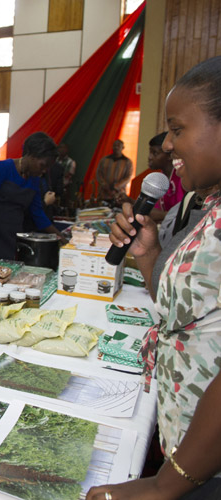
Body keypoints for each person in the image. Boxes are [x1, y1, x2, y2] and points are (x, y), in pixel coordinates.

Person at [89, 56, 221, 500]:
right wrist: (148, 257)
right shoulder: (212, 210)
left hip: (203, 469)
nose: (166, 144)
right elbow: (193, 309)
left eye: (178, 129)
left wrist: (164, 485)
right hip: (189, 453)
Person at [0, 132, 63, 261]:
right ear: (31, 156)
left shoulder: (34, 180)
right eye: (43, 165)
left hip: (13, 237)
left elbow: (38, 214)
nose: (44, 171)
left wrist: (60, 237)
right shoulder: (2, 169)